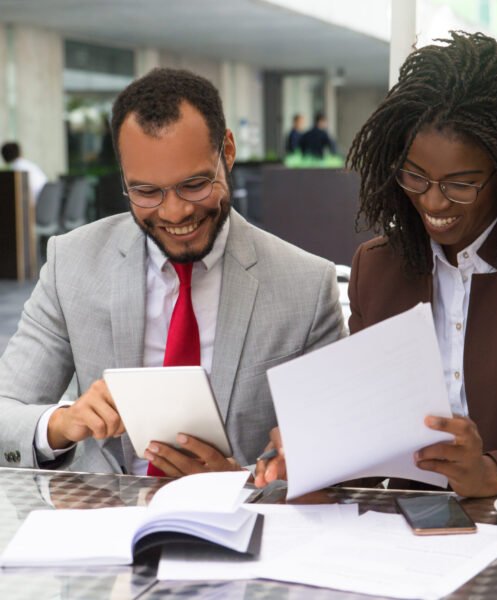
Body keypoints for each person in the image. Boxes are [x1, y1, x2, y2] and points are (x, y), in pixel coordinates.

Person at [0, 68, 345, 477]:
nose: (174, 211)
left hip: (244, 528)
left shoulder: (305, 285)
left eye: (195, 184)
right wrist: (60, 423)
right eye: (146, 192)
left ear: (227, 152)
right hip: (103, 524)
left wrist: (239, 480)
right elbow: (7, 413)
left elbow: (333, 444)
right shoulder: (72, 263)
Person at [256, 31, 497, 498]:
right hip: (405, 535)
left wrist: (493, 471)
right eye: (415, 177)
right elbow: (370, 452)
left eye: (460, 183)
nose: (431, 201)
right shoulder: (378, 270)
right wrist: (314, 452)